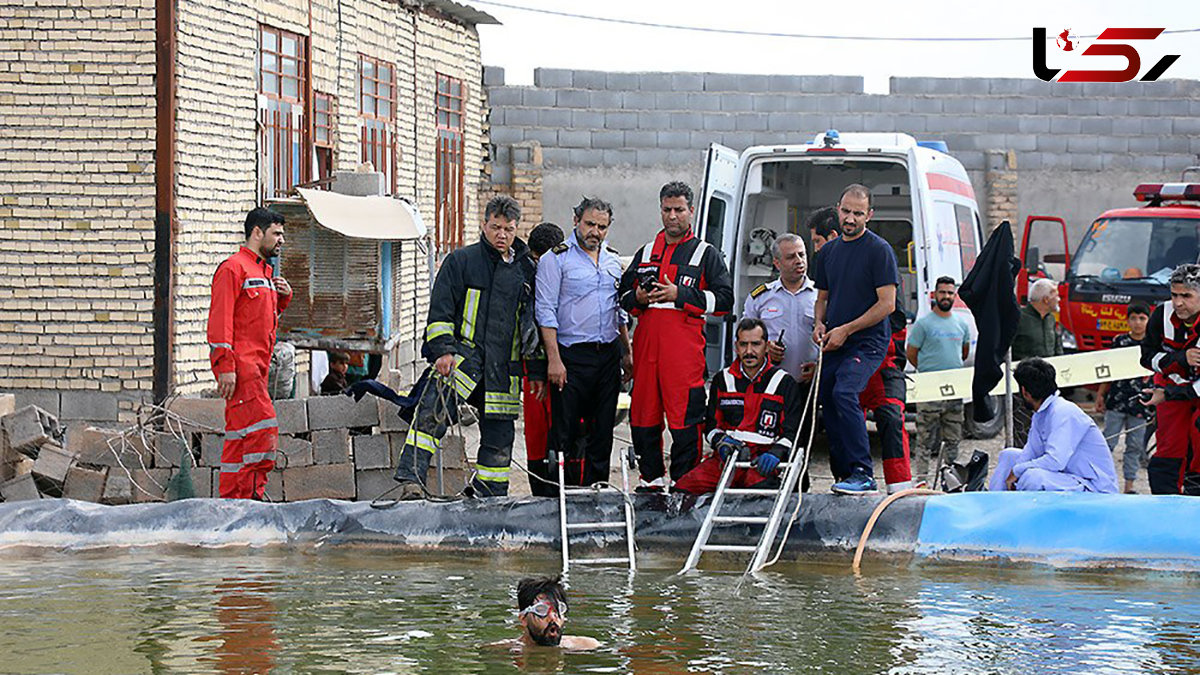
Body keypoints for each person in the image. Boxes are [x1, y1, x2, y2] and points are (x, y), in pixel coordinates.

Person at [393, 195, 545, 499]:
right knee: (430, 417)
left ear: (517, 229)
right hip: (462, 362)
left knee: (499, 439)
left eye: (509, 229)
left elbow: (535, 322)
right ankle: (410, 482)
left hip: (504, 370)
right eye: (495, 227)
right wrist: (442, 351)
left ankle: (489, 496)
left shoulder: (526, 270)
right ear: (484, 224)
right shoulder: (462, 261)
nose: (501, 235)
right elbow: (440, 311)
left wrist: (537, 369)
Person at [619, 181, 733, 490]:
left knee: (686, 424)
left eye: (679, 210)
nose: (672, 216)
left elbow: (724, 302)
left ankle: (684, 487)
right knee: (643, 421)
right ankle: (651, 483)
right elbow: (622, 298)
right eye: (667, 210)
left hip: (683, 359)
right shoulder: (645, 253)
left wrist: (679, 293)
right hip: (646, 354)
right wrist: (639, 298)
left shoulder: (705, 254)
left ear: (691, 211)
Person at [810, 205, 913, 493]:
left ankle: (898, 489)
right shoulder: (830, 259)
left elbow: (892, 312)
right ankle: (845, 479)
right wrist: (820, 325)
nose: (815, 250)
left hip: (880, 358)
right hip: (839, 350)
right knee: (832, 406)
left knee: (891, 419)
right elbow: (823, 302)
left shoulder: (878, 255)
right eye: (846, 212)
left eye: (817, 242)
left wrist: (848, 331)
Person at [536, 198, 633, 489]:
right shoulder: (555, 260)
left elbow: (621, 311)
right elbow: (545, 311)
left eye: (602, 227)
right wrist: (554, 360)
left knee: (602, 432)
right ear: (576, 219)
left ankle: (596, 494)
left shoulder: (614, 261)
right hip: (571, 357)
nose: (595, 232)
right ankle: (560, 496)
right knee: (564, 432)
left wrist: (627, 353)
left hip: (607, 356)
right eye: (590, 224)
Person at [206, 207, 293, 499]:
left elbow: (257, 319)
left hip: (257, 368)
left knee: (238, 438)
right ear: (257, 232)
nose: (281, 240)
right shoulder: (233, 268)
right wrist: (225, 367)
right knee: (263, 430)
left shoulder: (262, 272)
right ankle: (251, 500)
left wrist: (283, 298)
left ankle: (230, 502)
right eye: (276, 234)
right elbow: (220, 322)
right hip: (242, 370)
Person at [674, 319, 801, 494]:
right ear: (736, 346)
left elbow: (792, 432)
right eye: (743, 344)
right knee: (682, 490)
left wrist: (776, 453)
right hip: (727, 459)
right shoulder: (722, 380)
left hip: (762, 462)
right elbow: (711, 427)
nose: (749, 351)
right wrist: (721, 443)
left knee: (760, 498)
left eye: (756, 344)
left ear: (766, 346)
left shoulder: (784, 383)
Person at [988, 358, 1118, 493]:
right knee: (1009, 455)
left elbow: (1055, 461)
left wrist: (1017, 471)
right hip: (1068, 476)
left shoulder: (1063, 412)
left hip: (1093, 486)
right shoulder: (1041, 413)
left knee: (1032, 477)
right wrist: (1015, 471)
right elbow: (1031, 452)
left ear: (1025, 392)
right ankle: (995, 502)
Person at [1141, 264, 1200, 495]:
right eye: (1174, 295)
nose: (1178, 303)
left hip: (1186, 393)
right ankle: (1165, 504)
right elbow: (1146, 357)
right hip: (1170, 390)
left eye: (1186, 296)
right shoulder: (1161, 315)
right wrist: (1179, 358)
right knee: (1169, 446)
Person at [906, 276, 971, 485]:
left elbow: (963, 352)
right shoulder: (923, 324)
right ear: (935, 295)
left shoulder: (962, 323)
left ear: (955, 295)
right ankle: (921, 480)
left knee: (953, 439)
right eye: (942, 292)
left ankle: (950, 480)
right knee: (924, 439)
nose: (946, 296)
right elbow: (911, 353)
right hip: (929, 389)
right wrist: (928, 372)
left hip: (954, 390)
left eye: (950, 293)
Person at [523, 222, 565, 497]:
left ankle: (561, 488)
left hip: (566, 364)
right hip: (536, 367)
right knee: (538, 434)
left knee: (561, 431)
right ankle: (542, 494)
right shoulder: (526, 277)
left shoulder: (571, 272)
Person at [742, 233, 818, 387]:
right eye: (791, 257)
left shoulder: (820, 296)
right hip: (770, 383)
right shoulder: (761, 297)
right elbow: (743, 340)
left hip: (810, 383)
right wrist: (765, 348)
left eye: (802, 254)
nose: (799, 261)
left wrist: (819, 367)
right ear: (777, 263)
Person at [1095, 301, 1152, 494]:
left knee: (1134, 446)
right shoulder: (1119, 342)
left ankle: (1129, 486)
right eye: (1133, 318)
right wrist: (1100, 395)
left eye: (1142, 318)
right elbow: (1108, 372)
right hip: (1117, 401)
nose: (1137, 323)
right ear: (1127, 320)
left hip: (1141, 403)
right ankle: (1099, 479)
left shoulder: (1153, 344)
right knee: (1107, 442)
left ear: (1149, 320)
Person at [490, 575, 599, 651]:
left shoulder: (587, 645)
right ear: (523, 619)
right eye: (541, 610)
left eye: (558, 609)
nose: (552, 617)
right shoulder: (500, 651)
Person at [1012, 278, 1064, 361]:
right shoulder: (1018, 319)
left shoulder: (1051, 319)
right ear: (1046, 300)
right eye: (1056, 296)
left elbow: (1058, 349)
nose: (1059, 299)